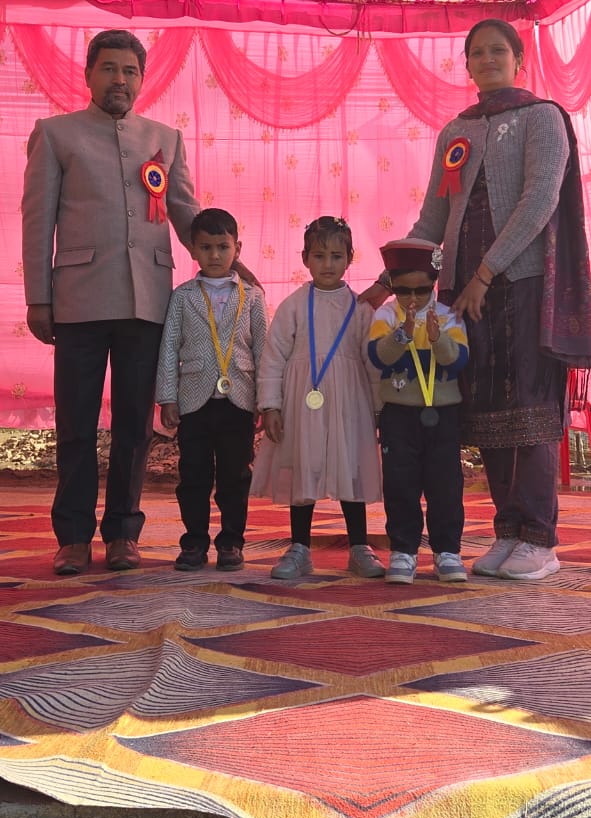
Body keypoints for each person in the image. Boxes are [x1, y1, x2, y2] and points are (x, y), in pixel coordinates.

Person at [364, 19, 591, 580]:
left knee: (531, 409)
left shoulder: (543, 117)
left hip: (523, 284)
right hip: (463, 292)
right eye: (477, 53)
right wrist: (385, 281)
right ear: (466, 65)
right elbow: (433, 219)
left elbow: (539, 201)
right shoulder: (456, 131)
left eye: (498, 51)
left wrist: (486, 273)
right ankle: (508, 531)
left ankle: (539, 538)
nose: (488, 59)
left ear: (518, 59)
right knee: (485, 412)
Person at [21, 28, 201, 576]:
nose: (119, 79)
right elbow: (37, 220)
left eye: (129, 71)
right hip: (77, 302)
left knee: (134, 426)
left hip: (147, 303)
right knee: (75, 423)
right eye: (109, 69)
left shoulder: (165, 138)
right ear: (88, 75)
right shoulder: (55, 134)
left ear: (142, 79)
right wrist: (38, 298)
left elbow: (186, 213)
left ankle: (123, 531)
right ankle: (73, 537)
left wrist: (227, 259)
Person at [251, 215, 384, 581]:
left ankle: (359, 547)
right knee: (303, 468)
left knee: (351, 468)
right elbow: (273, 357)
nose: (328, 264)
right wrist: (271, 405)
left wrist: (378, 410)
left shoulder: (360, 308)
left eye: (336, 256)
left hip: (350, 404)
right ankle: (299, 548)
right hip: (302, 403)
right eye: (320, 255)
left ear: (350, 259)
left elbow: (372, 362)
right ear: (305, 259)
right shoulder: (293, 305)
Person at [156, 208, 268, 572]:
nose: (215, 255)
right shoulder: (182, 296)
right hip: (194, 402)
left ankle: (232, 541)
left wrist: (266, 400)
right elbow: (169, 348)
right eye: (206, 248)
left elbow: (263, 350)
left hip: (239, 401)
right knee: (193, 475)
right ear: (192, 250)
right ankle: (194, 542)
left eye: (223, 247)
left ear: (238, 248)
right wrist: (167, 397)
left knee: (236, 475)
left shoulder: (252, 296)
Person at [368, 238, 469, 584]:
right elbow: (378, 357)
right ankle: (403, 550)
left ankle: (447, 551)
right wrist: (403, 335)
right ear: (392, 285)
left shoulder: (448, 315)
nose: (412, 299)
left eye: (422, 290)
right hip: (399, 413)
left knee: (446, 484)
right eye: (403, 290)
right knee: (400, 483)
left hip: (443, 414)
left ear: (434, 284)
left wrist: (438, 339)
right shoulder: (385, 315)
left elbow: (458, 362)